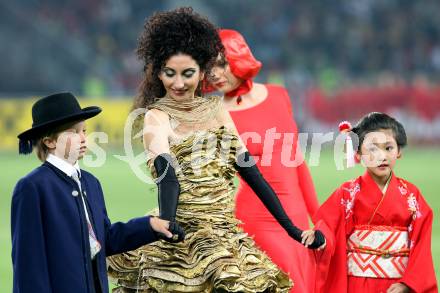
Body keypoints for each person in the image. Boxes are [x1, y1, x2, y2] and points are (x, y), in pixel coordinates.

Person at [107, 7, 324, 292]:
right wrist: (169, 222)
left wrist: (293, 230)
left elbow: (252, 174)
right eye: (169, 73)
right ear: (158, 73)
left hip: (225, 235)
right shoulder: (155, 117)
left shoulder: (217, 110)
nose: (178, 83)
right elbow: (166, 174)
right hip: (181, 232)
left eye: (188, 73)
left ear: (202, 73)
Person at [11, 92, 181, 293]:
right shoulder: (32, 187)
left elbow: (104, 239)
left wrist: (151, 225)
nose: (83, 138)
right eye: (74, 132)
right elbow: (28, 265)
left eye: (84, 131)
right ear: (50, 142)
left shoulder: (91, 183)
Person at [206, 29, 319, 293]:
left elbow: (297, 163)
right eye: (209, 68)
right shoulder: (216, 114)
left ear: (238, 56)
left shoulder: (279, 94)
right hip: (257, 219)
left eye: (221, 64)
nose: (215, 74)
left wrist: (320, 218)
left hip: (298, 216)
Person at [302, 112, 438, 293]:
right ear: (358, 153)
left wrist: (408, 284)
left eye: (388, 148)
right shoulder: (347, 193)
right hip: (357, 284)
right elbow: (328, 225)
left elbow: (421, 246)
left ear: (399, 152)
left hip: (398, 285)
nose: (382, 156)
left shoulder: (412, 196)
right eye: (373, 149)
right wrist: (319, 236)